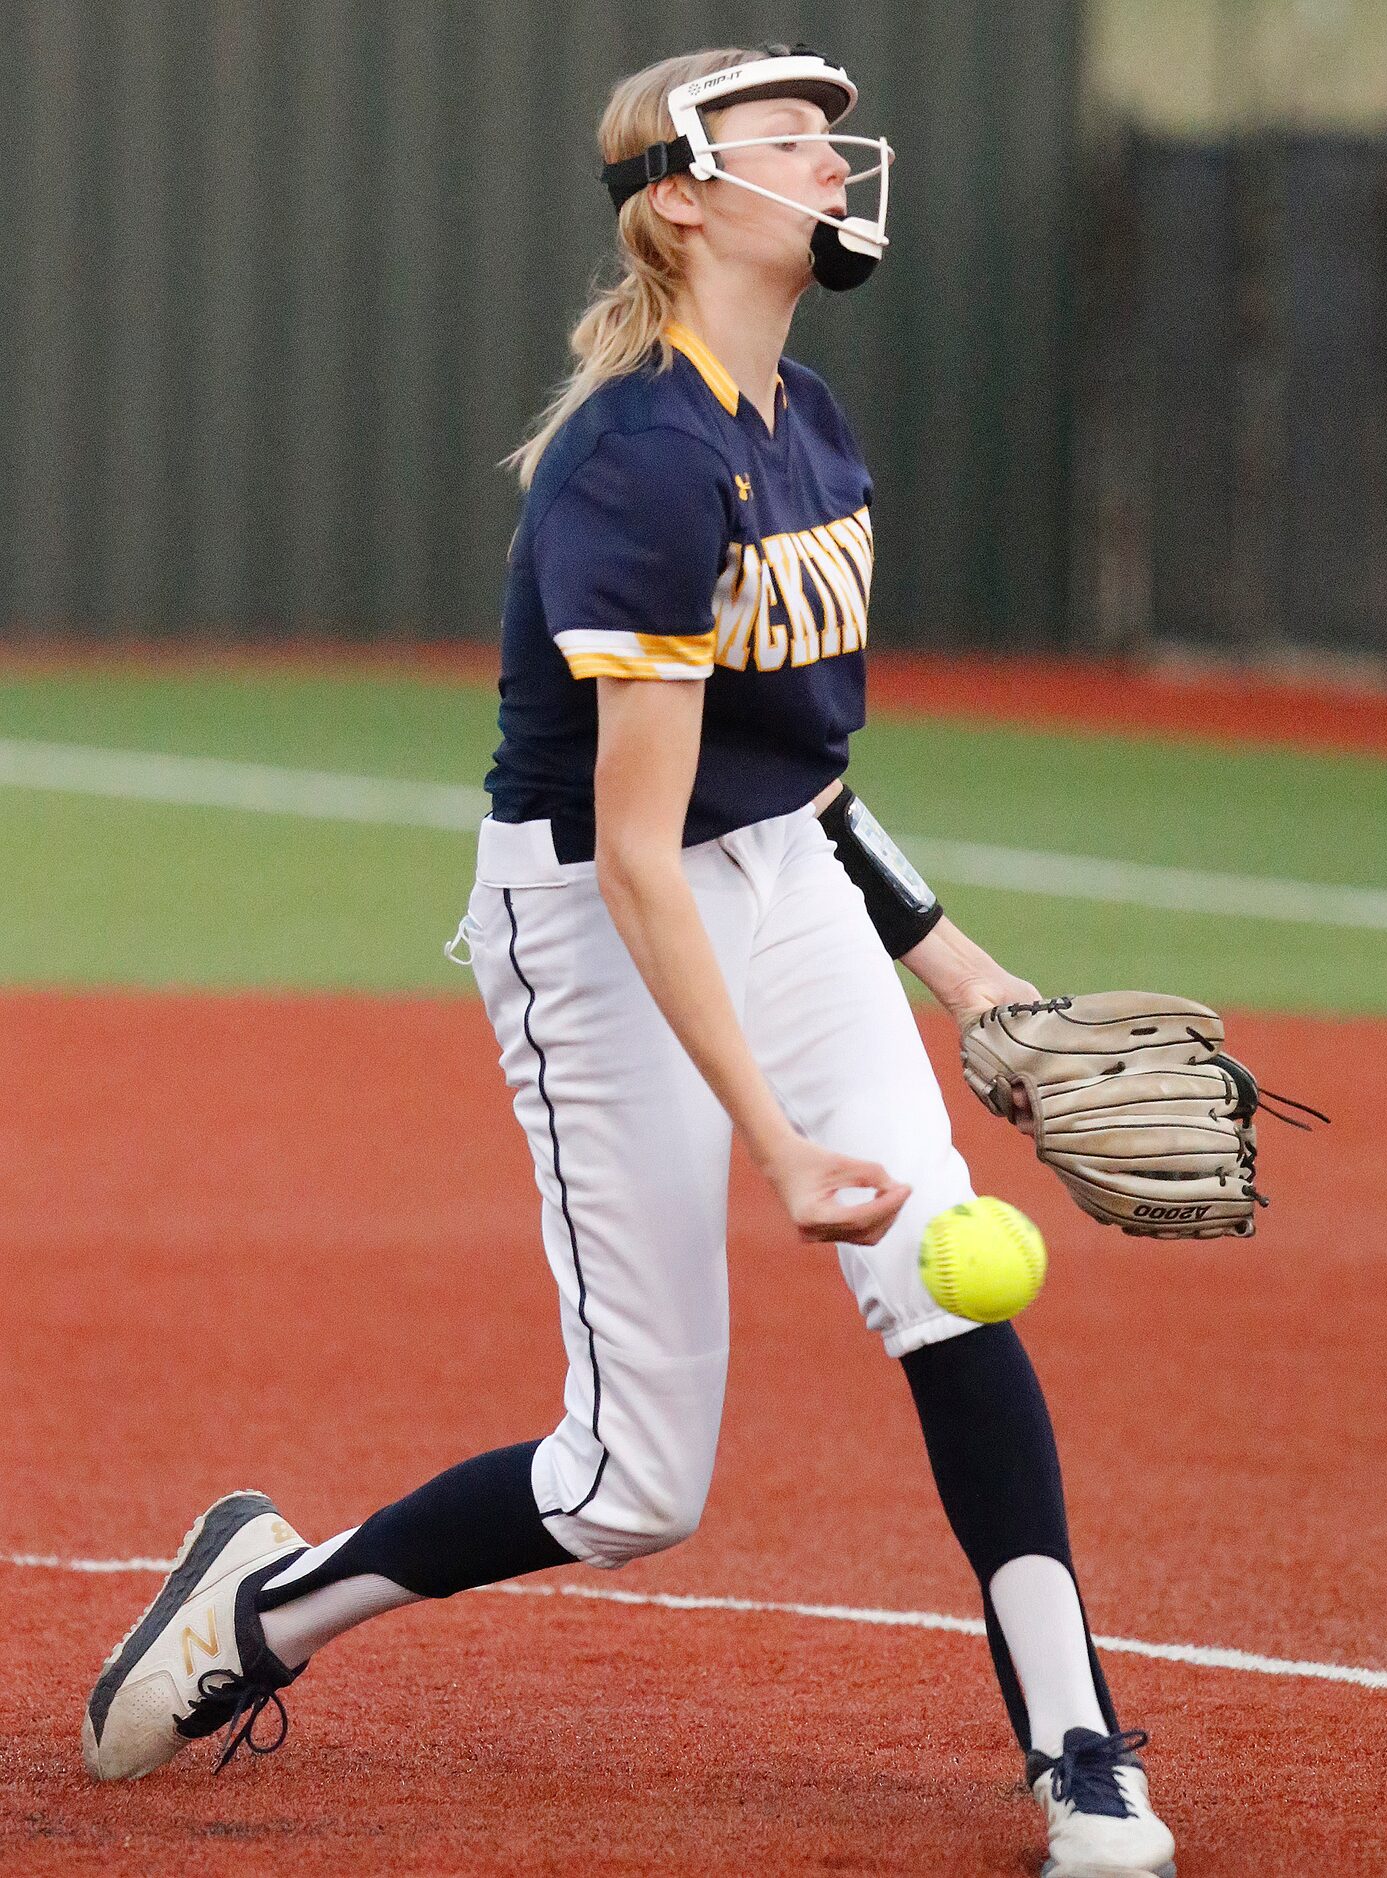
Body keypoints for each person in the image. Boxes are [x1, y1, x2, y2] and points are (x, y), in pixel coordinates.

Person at [82, 45, 1176, 1878]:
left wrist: (962, 972)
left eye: (833, 137)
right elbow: (646, 853)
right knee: (633, 1483)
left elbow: (803, 789)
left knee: (946, 1272)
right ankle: (255, 1616)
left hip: (768, 876)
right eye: (790, 142)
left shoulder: (810, 428)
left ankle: (1080, 1747)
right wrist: (774, 1137)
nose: (834, 163)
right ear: (682, 195)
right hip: (594, 913)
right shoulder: (639, 461)